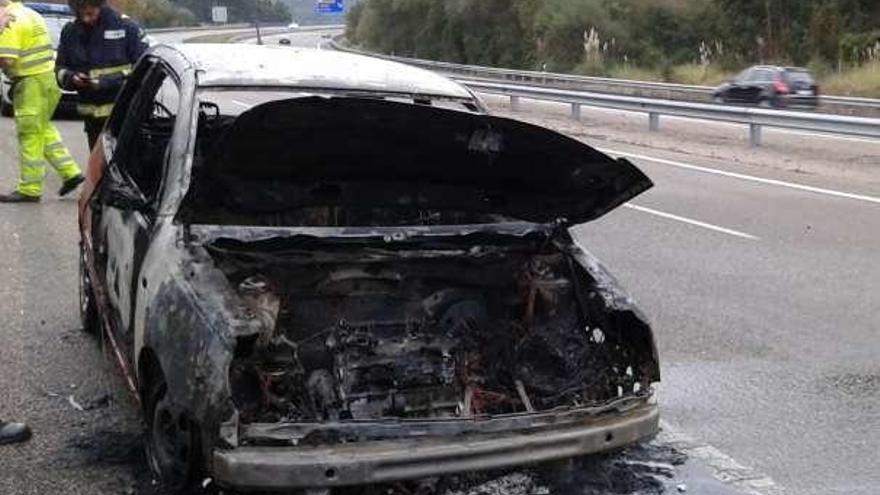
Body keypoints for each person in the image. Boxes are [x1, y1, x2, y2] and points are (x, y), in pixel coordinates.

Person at [0, 0, 83, 203]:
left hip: (31, 84)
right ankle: (71, 172)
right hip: (47, 80)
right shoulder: (31, 13)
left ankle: (30, 189)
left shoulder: (9, 21)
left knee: (29, 135)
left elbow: (7, 59)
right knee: (42, 129)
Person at [56, 0, 148, 149]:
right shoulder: (70, 32)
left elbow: (144, 71)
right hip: (92, 122)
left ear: (99, 5)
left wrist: (105, 82)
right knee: (98, 169)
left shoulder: (127, 28)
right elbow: (59, 69)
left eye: (90, 12)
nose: (85, 18)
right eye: (80, 11)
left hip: (123, 118)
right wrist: (71, 78)